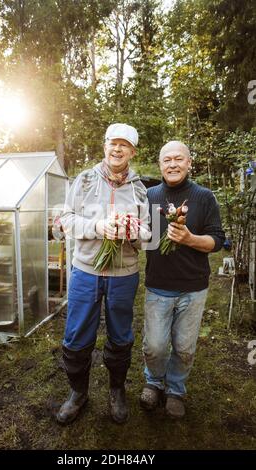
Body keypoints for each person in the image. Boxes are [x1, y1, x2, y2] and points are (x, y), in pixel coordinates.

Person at [56, 123, 151, 425]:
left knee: (121, 334)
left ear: (132, 151)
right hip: (86, 272)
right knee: (76, 335)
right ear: (105, 145)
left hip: (124, 274)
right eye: (113, 143)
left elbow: (152, 234)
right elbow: (65, 220)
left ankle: (116, 389)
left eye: (125, 145)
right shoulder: (83, 181)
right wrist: (96, 227)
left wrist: (135, 233)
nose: (117, 149)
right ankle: (78, 393)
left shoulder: (139, 188)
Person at [140, 140, 225, 418]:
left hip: (192, 287)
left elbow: (217, 241)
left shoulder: (204, 197)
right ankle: (154, 382)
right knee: (154, 346)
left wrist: (189, 238)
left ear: (189, 163)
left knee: (185, 347)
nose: (173, 165)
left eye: (179, 159)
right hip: (158, 285)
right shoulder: (149, 195)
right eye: (167, 160)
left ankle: (175, 389)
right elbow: (144, 236)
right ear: (160, 164)